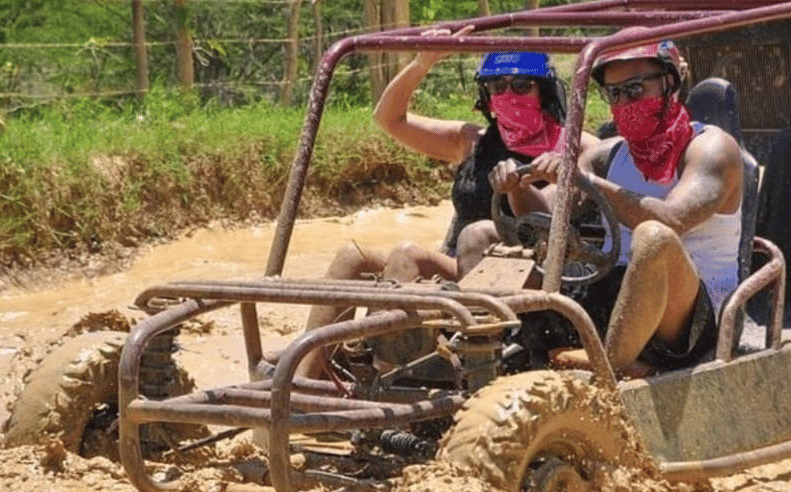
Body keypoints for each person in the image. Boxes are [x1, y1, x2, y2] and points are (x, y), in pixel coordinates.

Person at [295, 29, 598, 378]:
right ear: (487, 95)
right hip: (461, 265)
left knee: (449, 241)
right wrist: (422, 63)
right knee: (358, 256)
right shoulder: (473, 141)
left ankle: (402, 375)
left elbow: (554, 220)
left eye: (521, 85)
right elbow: (389, 119)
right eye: (498, 87)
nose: (509, 95)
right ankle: (311, 381)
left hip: (533, 272)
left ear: (543, 90)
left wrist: (521, 185)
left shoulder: (577, 147)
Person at [519, 29, 744, 376]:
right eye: (615, 93)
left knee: (653, 238)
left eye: (635, 90)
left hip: (691, 321)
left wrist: (586, 179)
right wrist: (513, 189)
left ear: (670, 82)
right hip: (611, 293)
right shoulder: (607, 155)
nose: (625, 103)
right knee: (482, 234)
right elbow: (545, 219)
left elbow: (671, 220)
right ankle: (479, 359)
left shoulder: (712, 149)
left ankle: (607, 375)